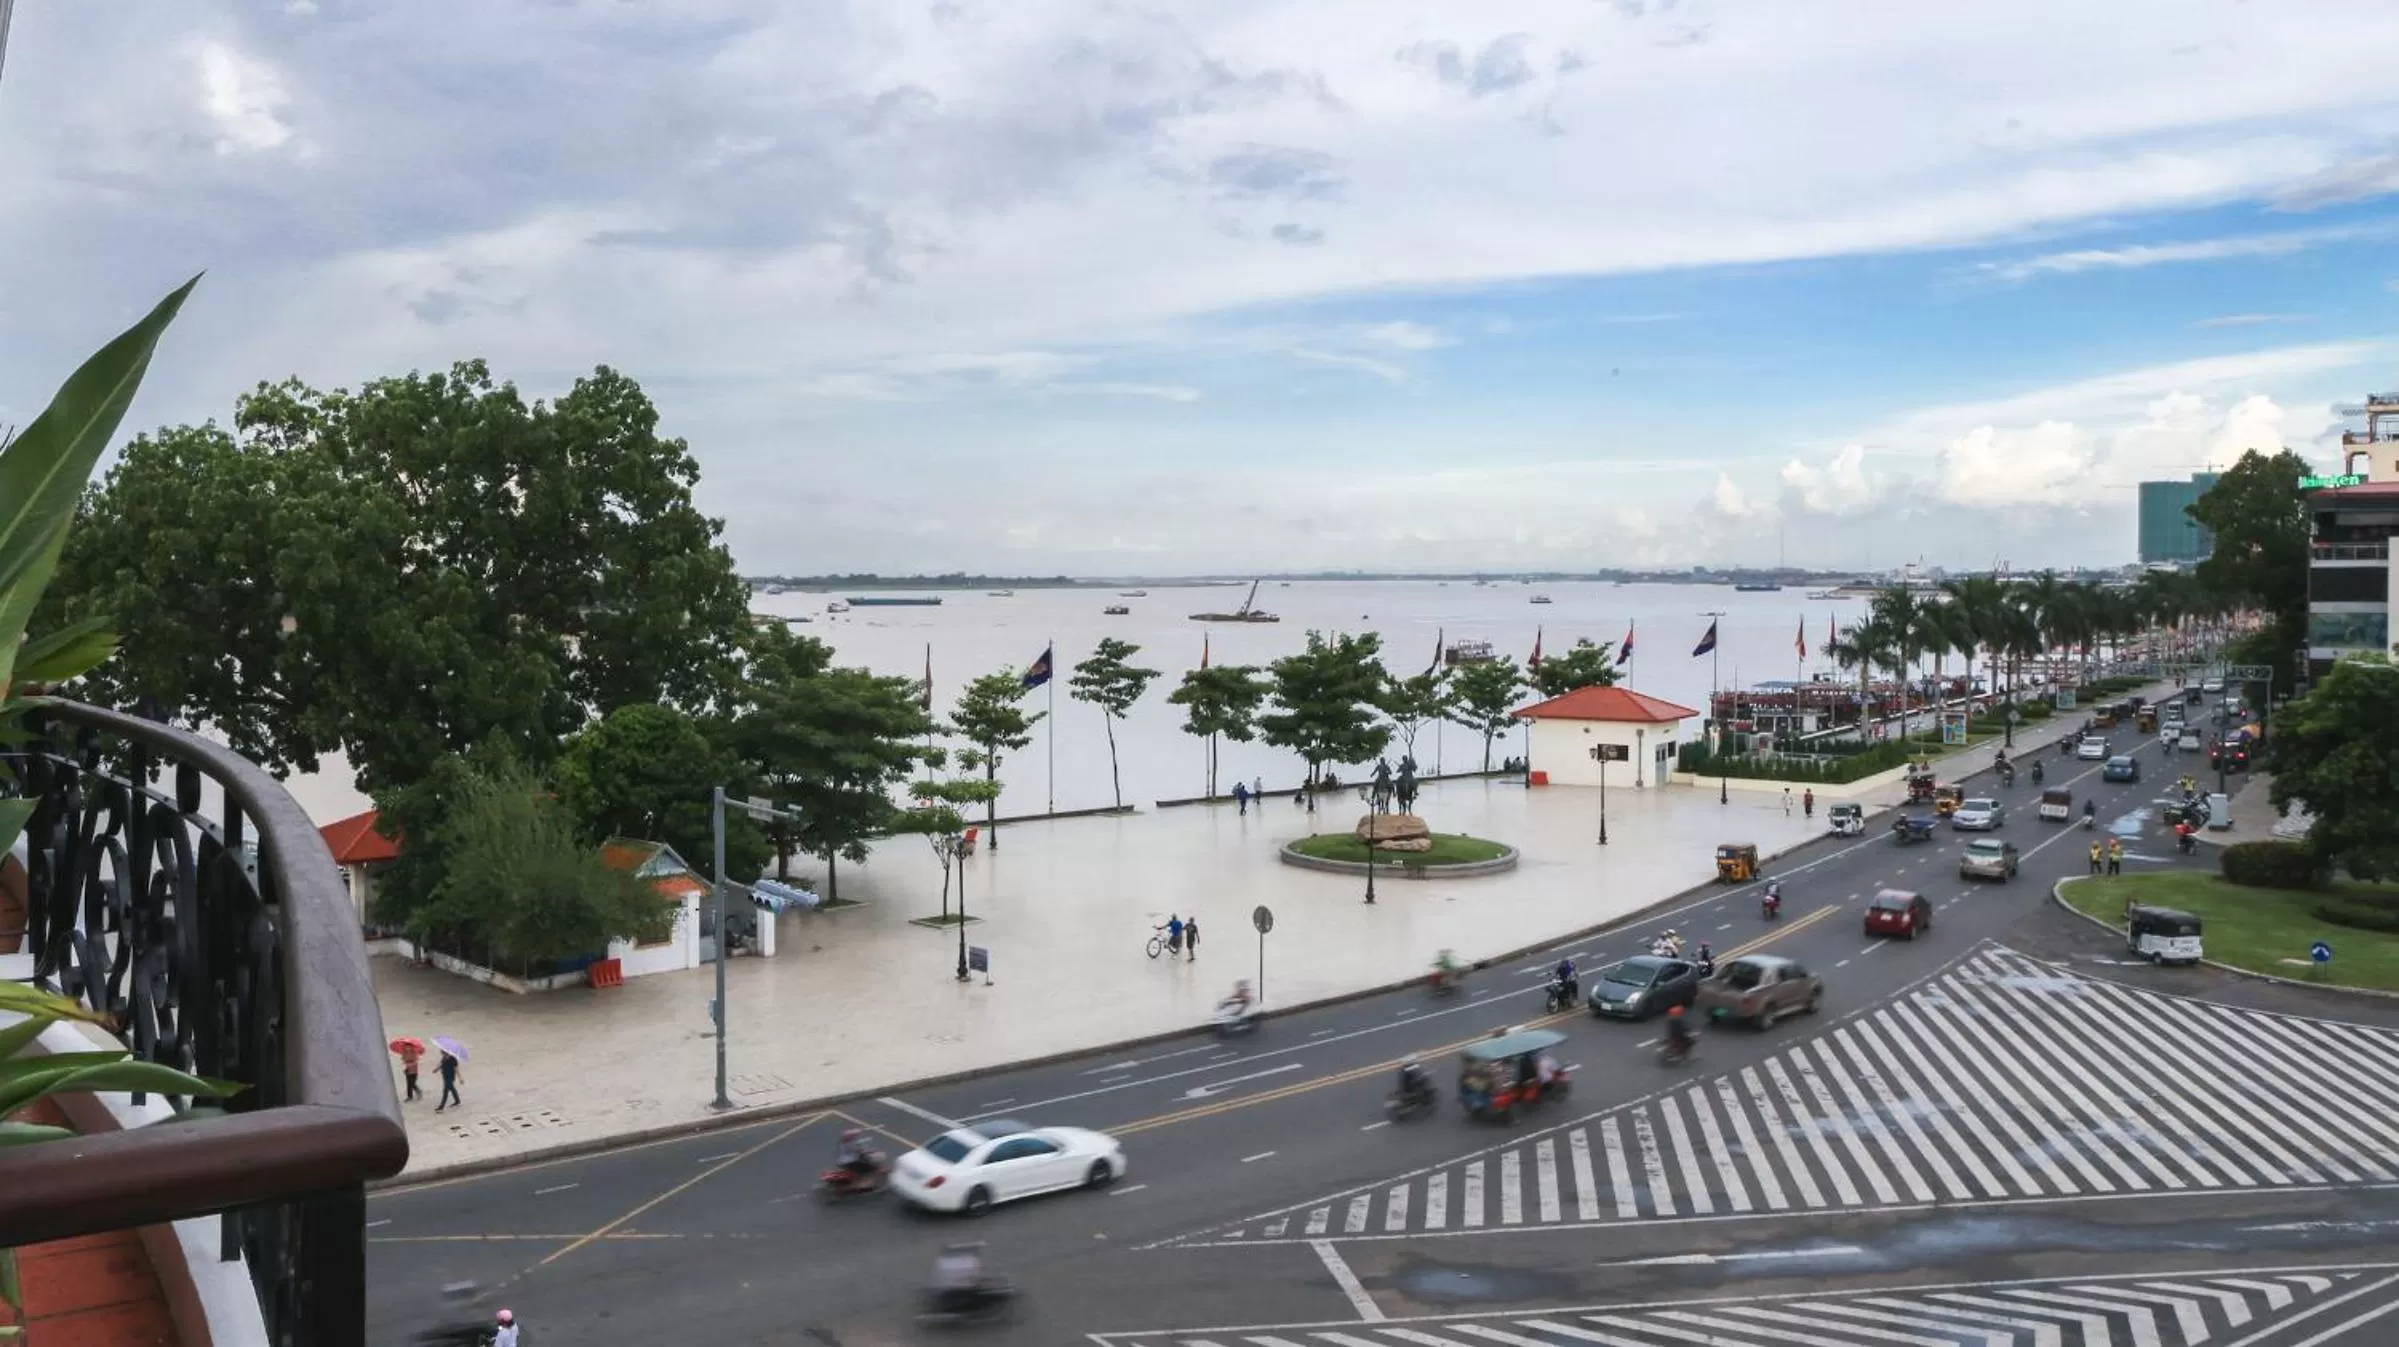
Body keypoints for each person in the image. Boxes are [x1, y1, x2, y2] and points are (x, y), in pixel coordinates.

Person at [931, 1242, 992, 1316]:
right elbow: (972, 1280)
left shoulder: (943, 1262)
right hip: (957, 1293)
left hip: (946, 1291)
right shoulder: (970, 1262)